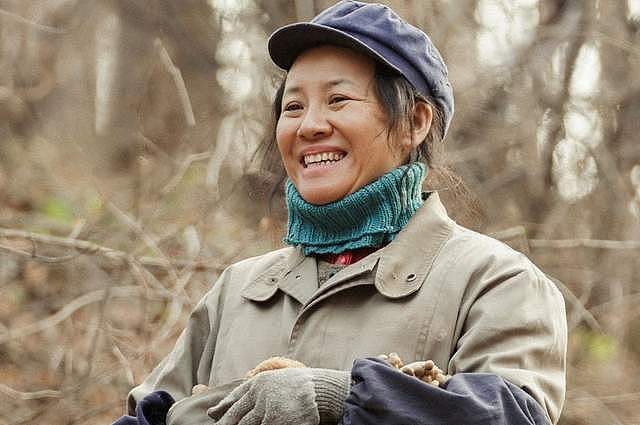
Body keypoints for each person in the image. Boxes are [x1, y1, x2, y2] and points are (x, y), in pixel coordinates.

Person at [114, 1, 567, 424]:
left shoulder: (494, 282)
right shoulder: (237, 292)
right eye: (293, 106)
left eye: (338, 101)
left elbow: (509, 413)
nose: (309, 125)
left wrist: (336, 396)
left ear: (414, 123)